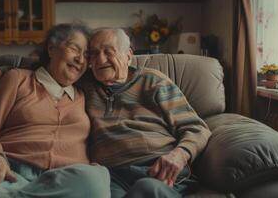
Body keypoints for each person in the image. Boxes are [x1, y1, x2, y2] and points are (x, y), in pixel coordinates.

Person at [0, 23, 110, 198]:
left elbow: (117, 73)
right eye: (74, 49)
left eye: (86, 55)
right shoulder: (17, 79)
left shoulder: (85, 93)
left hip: (65, 181)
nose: (81, 59)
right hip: (11, 173)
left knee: (94, 179)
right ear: (51, 48)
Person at [84, 28, 212, 198]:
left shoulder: (153, 81)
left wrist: (179, 155)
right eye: (93, 53)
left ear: (128, 55)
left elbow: (196, 128)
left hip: (159, 171)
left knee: (146, 189)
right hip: (112, 176)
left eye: (108, 51)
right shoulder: (84, 85)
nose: (100, 59)